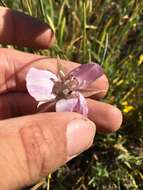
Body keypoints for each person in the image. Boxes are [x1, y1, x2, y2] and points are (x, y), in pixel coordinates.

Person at [0, 7, 122, 190]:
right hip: (52, 89)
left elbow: (90, 72)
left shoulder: (77, 98)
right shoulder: (50, 84)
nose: (70, 85)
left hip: (61, 94)